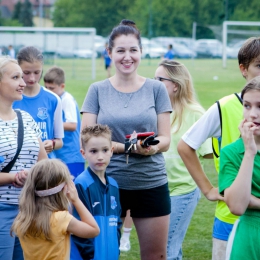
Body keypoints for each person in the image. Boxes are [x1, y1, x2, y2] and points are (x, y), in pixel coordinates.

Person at [80, 19, 172, 260]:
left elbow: (165, 139)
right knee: (103, 255)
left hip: (150, 183)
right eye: (120, 50)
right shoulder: (97, 90)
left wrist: (151, 149)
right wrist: (128, 148)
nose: (127, 56)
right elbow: (87, 139)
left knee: (156, 256)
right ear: (109, 52)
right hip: (104, 185)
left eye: (133, 50)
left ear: (141, 52)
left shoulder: (156, 89)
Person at [177, 36, 260, 260]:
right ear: (243, 69)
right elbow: (185, 145)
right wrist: (209, 190)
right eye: (259, 65)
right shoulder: (224, 107)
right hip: (231, 217)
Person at [155, 59, 213, 260]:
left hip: (183, 190)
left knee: (166, 248)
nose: (154, 84)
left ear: (176, 85)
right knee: (171, 248)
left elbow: (208, 153)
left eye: (159, 79)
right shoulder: (155, 111)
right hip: (157, 189)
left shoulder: (196, 114)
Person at [0, 56, 47, 260]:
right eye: (15, 77)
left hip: (29, 210)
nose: (23, 82)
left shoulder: (25, 118)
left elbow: (44, 162)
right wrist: (13, 177)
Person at [11, 159, 100, 260]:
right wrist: (76, 200)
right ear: (64, 189)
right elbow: (94, 230)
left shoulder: (23, 217)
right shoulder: (61, 219)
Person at [219, 76, 260, 260]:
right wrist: (250, 153)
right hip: (250, 236)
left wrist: (252, 200)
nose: (252, 114)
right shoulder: (232, 152)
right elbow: (236, 205)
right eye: (247, 105)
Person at [71, 124, 122, 260]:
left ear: (111, 150)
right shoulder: (81, 184)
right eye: (93, 151)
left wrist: (115, 250)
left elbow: (117, 222)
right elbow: (77, 226)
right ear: (83, 153)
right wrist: (90, 256)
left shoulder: (114, 186)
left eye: (105, 150)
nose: (100, 156)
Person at [13, 46, 64, 159]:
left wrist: (52, 144)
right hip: (17, 168)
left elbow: (59, 141)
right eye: (26, 72)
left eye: (37, 72)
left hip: (44, 168)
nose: (32, 78)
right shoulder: (10, 98)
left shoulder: (53, 99)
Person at [43, 66, 85, 178]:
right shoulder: (52, 100)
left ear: (62, 86)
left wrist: (50, 124)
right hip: (59, 155)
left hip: (71, 156)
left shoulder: (67, 99)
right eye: (46, 87)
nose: (48, 91)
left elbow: (72, 125)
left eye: (51, 88)